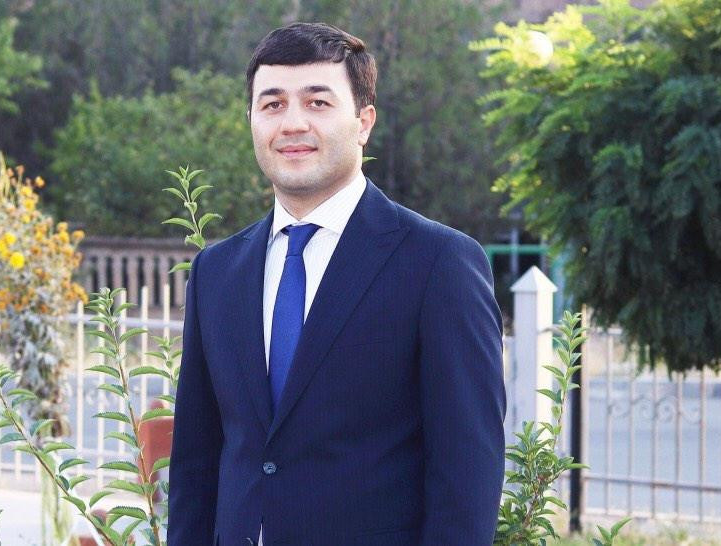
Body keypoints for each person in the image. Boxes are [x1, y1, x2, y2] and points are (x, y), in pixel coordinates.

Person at [168, 22, 505, 546]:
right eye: (272, 104)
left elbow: (468, 470)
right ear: (251, 120)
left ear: (363, 122)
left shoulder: (439, 264)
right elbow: (196, 460)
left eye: (318, 103)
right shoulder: (217, 272)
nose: (293, 123)